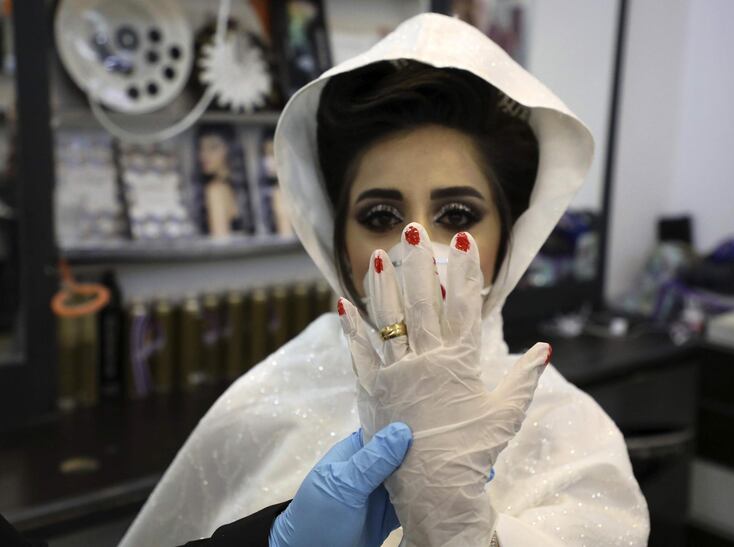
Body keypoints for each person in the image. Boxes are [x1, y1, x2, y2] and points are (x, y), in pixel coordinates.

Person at [120, 13, 649, 547]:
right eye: (380, 218)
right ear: (339, 249)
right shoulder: (266, 400)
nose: (416, 245)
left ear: (508, 241)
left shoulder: (569, 428)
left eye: (458, 216)